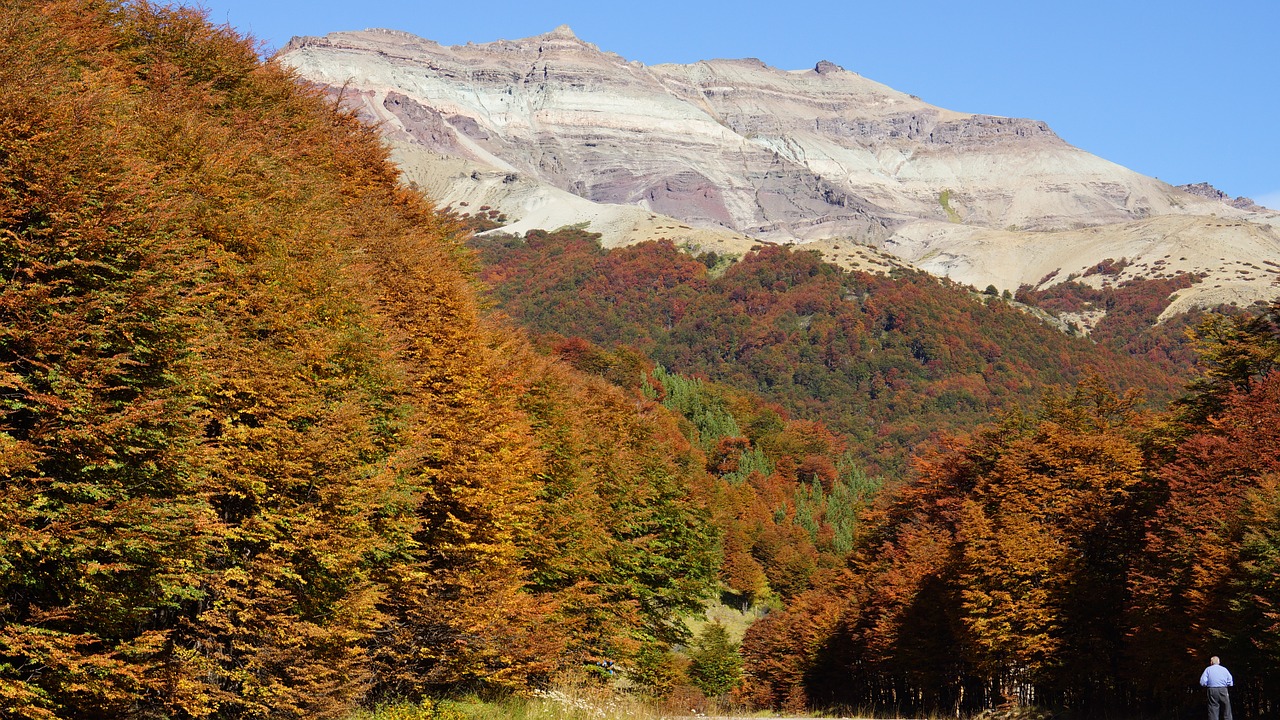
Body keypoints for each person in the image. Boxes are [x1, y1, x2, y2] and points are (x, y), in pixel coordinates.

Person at [1200, 656, 1233, 720]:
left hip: (1212, 690)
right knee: (1226, 708)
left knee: (1213, 708)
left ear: (1211, 662)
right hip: (1223, 689)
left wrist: (1207, 684)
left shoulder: (1208, 669)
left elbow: (1202, 682)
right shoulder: (1224, 669)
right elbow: (1230, 681)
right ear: (1219, 662)